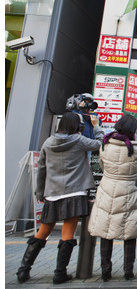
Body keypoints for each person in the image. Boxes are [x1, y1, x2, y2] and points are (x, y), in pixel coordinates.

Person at [17, 112, 103, 284]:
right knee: (68, 233)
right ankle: (59, 273)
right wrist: (96, 126)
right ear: (77, 127)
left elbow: (41, 169)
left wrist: (40, 193)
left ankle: (23, 271)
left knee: (43, 231)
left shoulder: (48, 142)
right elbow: (99, 144)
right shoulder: (79, 141)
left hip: (53, 193)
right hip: (75, 192)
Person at [88, 114, 137, 282]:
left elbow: (103, 167)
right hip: (130, 190)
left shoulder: (105, 145)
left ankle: (105, 271)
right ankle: (128, 271)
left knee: (106, 230)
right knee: (130, 231)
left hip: (107, 188)